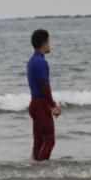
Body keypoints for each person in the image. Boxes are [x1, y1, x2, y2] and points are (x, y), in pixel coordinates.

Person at [27, 29, 61, 161]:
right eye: (48, 41)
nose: (49, 45)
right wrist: (52, 106)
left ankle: (35, 171)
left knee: (38, 142)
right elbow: (44, 86)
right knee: (49, 140)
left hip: (34, 104)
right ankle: (43, 173)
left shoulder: (31, 61)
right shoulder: (41, 62)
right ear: (44, 43)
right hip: (41, 105)